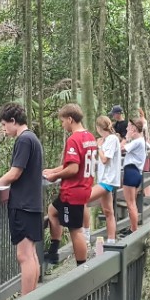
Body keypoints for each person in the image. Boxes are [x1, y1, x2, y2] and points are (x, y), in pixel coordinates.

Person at [0, 103, 45, 294]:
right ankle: (31, 299)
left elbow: (15, 173)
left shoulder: (24, 140)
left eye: (4, 125)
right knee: (30, 254)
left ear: (13, 121)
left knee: (24, 255)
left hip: (24, 205)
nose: (4, 130)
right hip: (32, 204)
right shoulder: (33, 139)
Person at [42, 103, 97, 266]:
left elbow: (73, 168)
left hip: (73, 192)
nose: (62, 124)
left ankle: (81, 266)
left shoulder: (74, 139)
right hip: (83, 188)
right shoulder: (90, 137)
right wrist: (52, 170)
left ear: (70, 119)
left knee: (75, 230)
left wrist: (55, 176)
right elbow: (73, 163)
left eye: (63, 121)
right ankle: (53, 251)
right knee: (53, 211)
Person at [84, 115, 121, 245]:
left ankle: (86, 236)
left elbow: (105, 159)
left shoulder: (111, 139)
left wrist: (98, 147)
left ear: (99, 128)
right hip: (104, 179)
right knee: (108, 211)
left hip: (107, 180)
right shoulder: (106, 140)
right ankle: (111, 241)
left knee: (82, 199)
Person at [121, 118, 147, 232]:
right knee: (133, 203)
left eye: (129, 127)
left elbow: (121, 149)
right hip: (137, 173)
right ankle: (133, 227)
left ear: (134, 129)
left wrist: (126, 138)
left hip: (131, 172)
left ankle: (134, 230)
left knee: (130, 204)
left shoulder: (137, 141)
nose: (126, 129)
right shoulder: (142, 141)